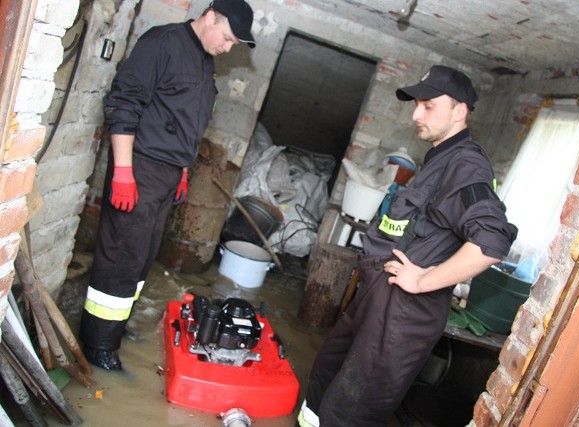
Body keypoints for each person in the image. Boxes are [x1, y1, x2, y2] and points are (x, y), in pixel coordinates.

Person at [298, 65, 518, 426]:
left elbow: (491, 241)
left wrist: (422, 280)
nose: (416, 114)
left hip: (403, 310)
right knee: (326, 373)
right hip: (377, 295)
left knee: (353, 408)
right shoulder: (440, 158)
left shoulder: (466, 163)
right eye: (417, 104)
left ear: (459, 111)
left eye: (428, 106)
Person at [79, 0, 256, 371]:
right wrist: (123, 173)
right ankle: (97, 347)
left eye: (233, 45)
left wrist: (184, 170)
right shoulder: (163, 43)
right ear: (210, 16)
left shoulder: (205, 60)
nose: (226, 48)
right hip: (139, 166)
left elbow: (185, 120)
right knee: (121, 255)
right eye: (226, 38)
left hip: (168, 172)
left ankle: (117, 325)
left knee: (143, 257)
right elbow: (124, 104)